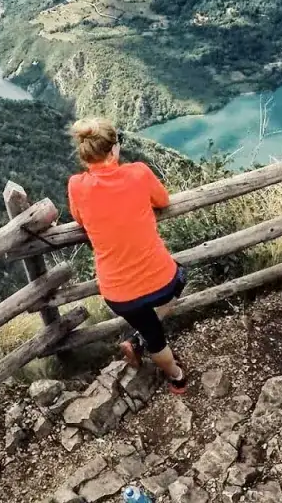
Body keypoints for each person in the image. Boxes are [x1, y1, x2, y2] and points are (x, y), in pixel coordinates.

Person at [67, 117, 188, 394]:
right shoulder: (138, 172)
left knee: (154, 335)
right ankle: (142, 344)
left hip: (119, 294)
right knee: (181, 275)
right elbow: (164, 201)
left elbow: (78, 218)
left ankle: (177, 377)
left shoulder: (77, 185)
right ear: (114, 149)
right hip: (162, 281)